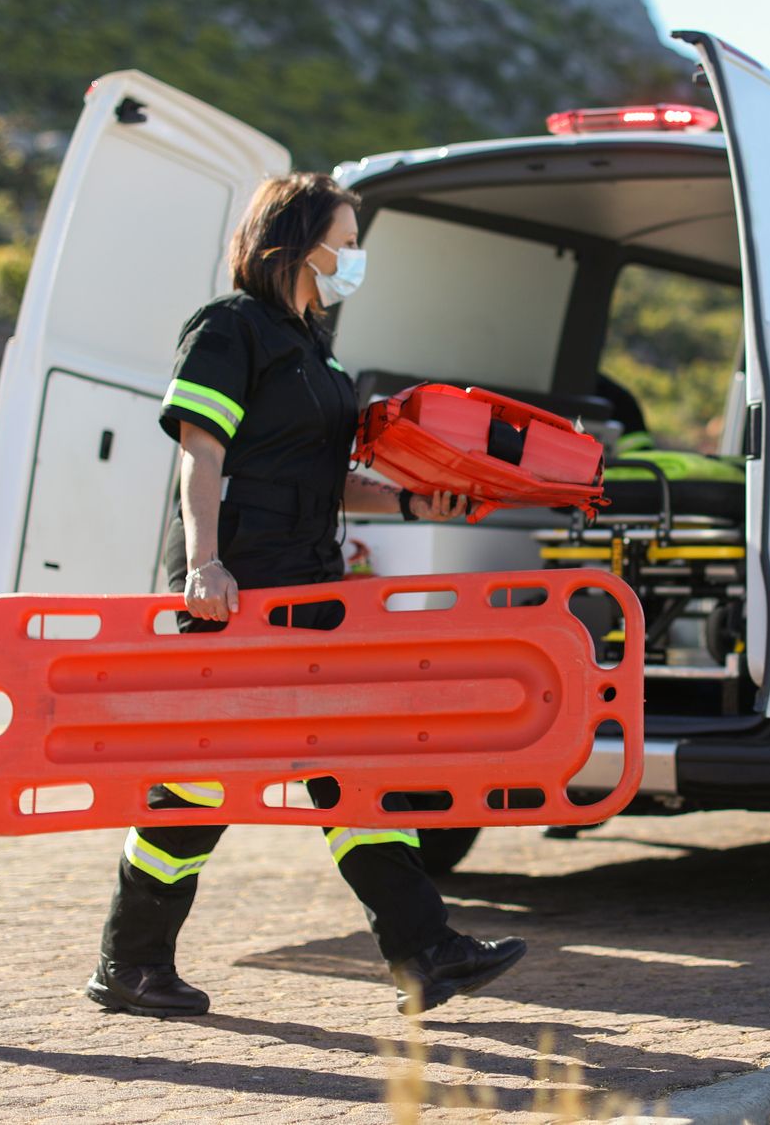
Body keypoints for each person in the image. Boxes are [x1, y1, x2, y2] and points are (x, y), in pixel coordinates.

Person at [85, 171, 527, 1018]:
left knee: (355, 765)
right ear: (296, 239)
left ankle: (424, 951)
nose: (354, 257)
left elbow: (329, 484)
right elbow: (200, 455)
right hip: (238, 591)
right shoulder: (227, 330)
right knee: (200, 783)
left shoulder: (317, 351)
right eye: (347, 240)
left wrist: (407, 501)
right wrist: (204, 565)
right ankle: (130, 964)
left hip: (310, 589)